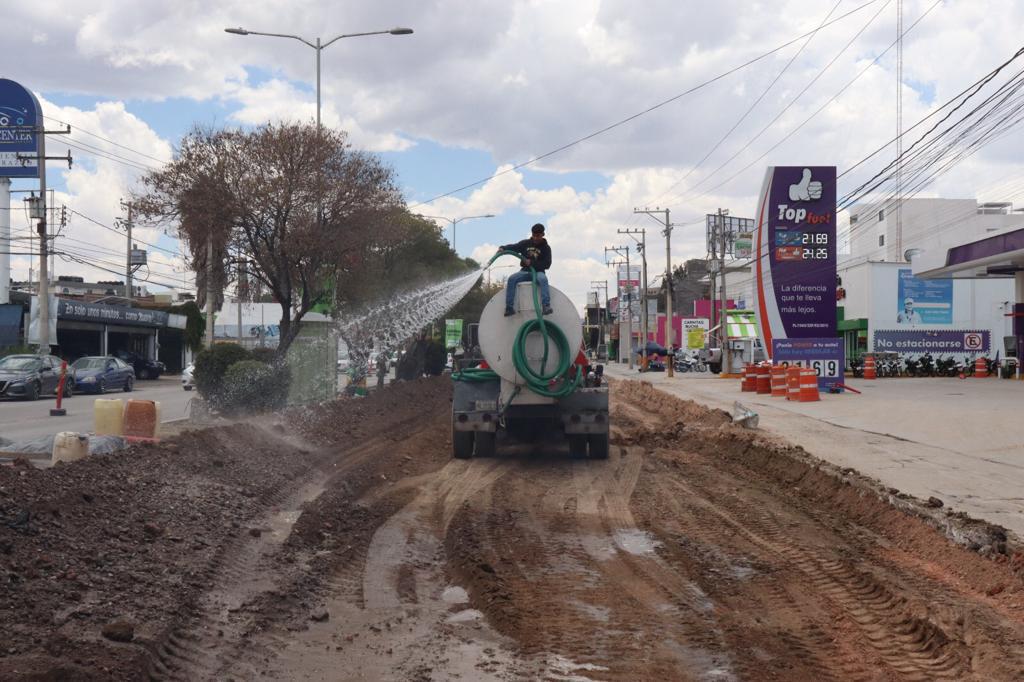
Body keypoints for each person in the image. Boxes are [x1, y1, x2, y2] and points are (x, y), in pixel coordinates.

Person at [499, 223, 552, 316]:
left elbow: (547, 264)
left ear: (543, 234)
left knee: (543, 279)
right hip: (525, 271)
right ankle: (509, 307)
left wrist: (532, 263)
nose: (535, 238)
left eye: (538, 236)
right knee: (512, 279)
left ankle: (546, 305)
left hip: (538, 272)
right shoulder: (525, 243)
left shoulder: (546, 248)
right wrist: (503, 248)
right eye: (534, 235)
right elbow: (514, 247)